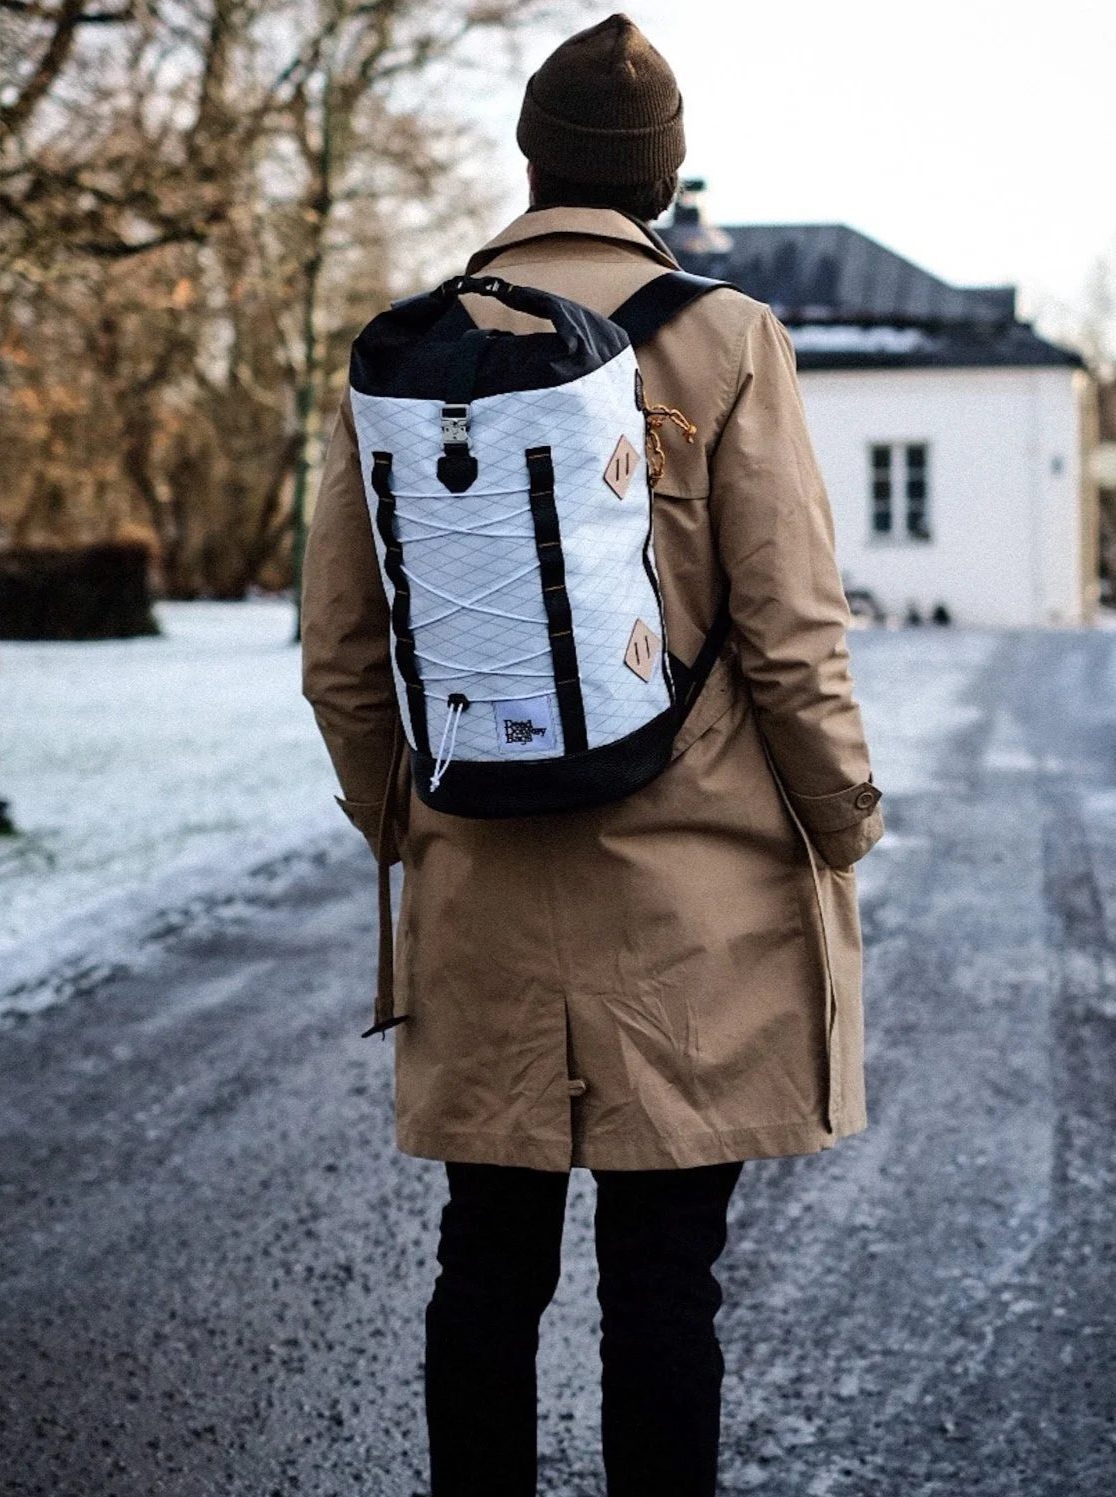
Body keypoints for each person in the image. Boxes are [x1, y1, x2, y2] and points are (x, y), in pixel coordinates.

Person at [301, 13, 883, 1495]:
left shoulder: (409, 347)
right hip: (693, 911)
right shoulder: (729, 337)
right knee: (663, 1284)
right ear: (664, 177)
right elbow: (792, 631)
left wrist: (406, 823)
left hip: (484, 871)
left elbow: (343, 651)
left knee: (487, 1270)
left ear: (531, 163)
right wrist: (842, 822)